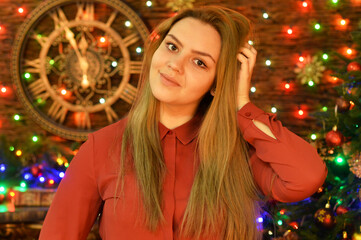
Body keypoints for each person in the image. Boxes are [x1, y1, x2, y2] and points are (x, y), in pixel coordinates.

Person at [39, 6, 327, 240]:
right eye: (173, 46)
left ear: (217, 83)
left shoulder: (239, 150)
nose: (174, 65)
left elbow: (305, 177)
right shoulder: (101, 148)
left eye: (199, 62)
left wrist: (241, 104)